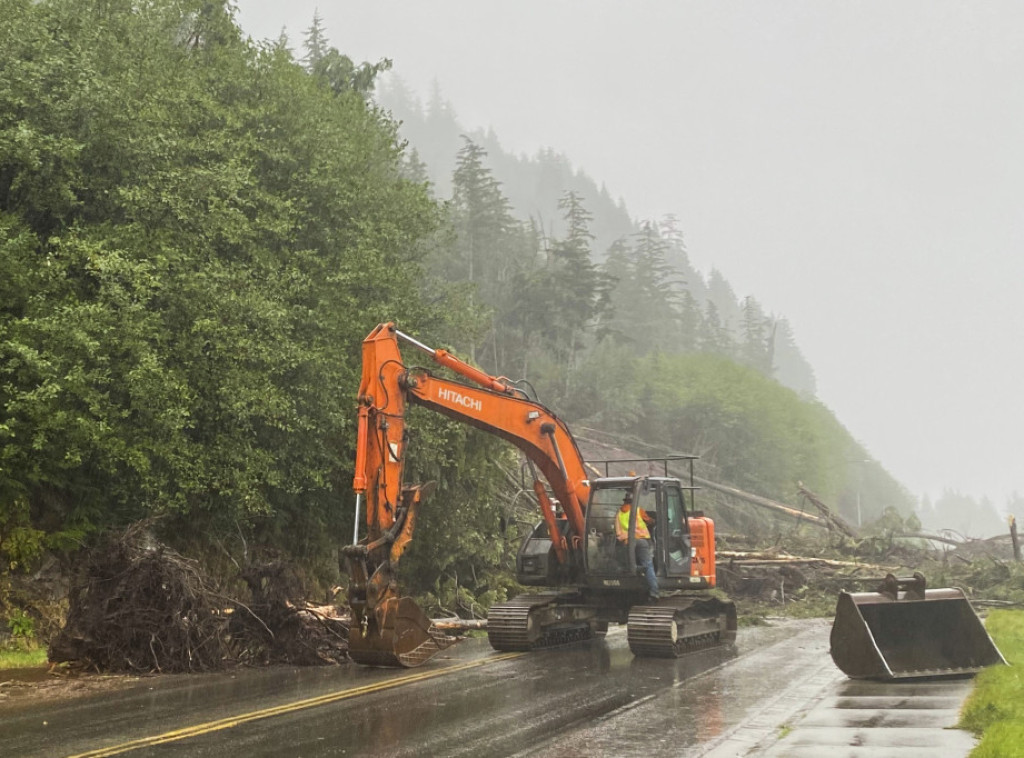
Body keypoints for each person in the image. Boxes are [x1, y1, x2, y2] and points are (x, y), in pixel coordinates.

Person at [615, 492, 659, 601]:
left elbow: (617, 530)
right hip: (641, 540)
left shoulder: (619, 513)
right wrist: (654, 521)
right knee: (648, 564)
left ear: (624, 501)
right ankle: (654, 591)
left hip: (626, 543)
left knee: (629, 565)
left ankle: (635, 583)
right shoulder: (638, 510)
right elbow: (649, 521)